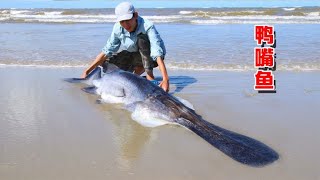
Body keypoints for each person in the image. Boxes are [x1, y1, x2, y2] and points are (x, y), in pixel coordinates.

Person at [81, 2, 169, 92]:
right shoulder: (117, 28)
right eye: (122, 21)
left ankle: (150, 78)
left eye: (128, 20)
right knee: (106, 63)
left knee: (142, 40)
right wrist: (87, 71)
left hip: (152, 57)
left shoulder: (147, 26)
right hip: (134, 54)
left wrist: (165, 79)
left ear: (135, 15)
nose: (126, 25)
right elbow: (106, 51)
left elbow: (156, 52)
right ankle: (136, 76)